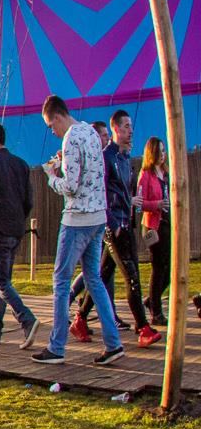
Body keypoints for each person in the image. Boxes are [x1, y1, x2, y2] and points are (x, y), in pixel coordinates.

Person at [31, 95, 122, 366]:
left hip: (77, 218)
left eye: (50, 125)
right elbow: (89, 173)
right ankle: (113, 342)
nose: (52, 131)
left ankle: (57, 346)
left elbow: (70, 186)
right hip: (98, 215)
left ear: (57, 116)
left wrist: (51, 177)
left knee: (61, 281)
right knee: (94, 279)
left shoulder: (70, 138)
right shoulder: (92, 133)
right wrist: (64, 164)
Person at [71, 110, 155, 346]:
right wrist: (113, 223)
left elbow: (125, 192)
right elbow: (102, 193)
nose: (131, 130)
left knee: (103, 273)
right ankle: (143, 326)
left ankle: (80, 318)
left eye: (131, 126)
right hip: (114, 226)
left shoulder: (125, 158)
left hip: (126, 224)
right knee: (132, 276)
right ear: (116, 128)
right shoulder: (105, 158)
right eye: (126, 126)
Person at [0, 123, 39, 350]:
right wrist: (20, 219)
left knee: (1, 281)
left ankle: (26, 319)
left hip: (0, 229)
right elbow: (29, 199)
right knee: (2, 280)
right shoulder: (21, 164)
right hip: (16, 228)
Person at [138, 135, 171, 330]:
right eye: (160, 151)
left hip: (166, 223)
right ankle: (156, 312)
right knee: (159, 267)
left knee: (168, 268)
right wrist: (156, 204)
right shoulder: (146, 174)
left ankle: (152, 299)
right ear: (152, 153)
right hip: (153, 226)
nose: (163, 155)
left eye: (164, 151)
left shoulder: (165, 173)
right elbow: (140, 203)